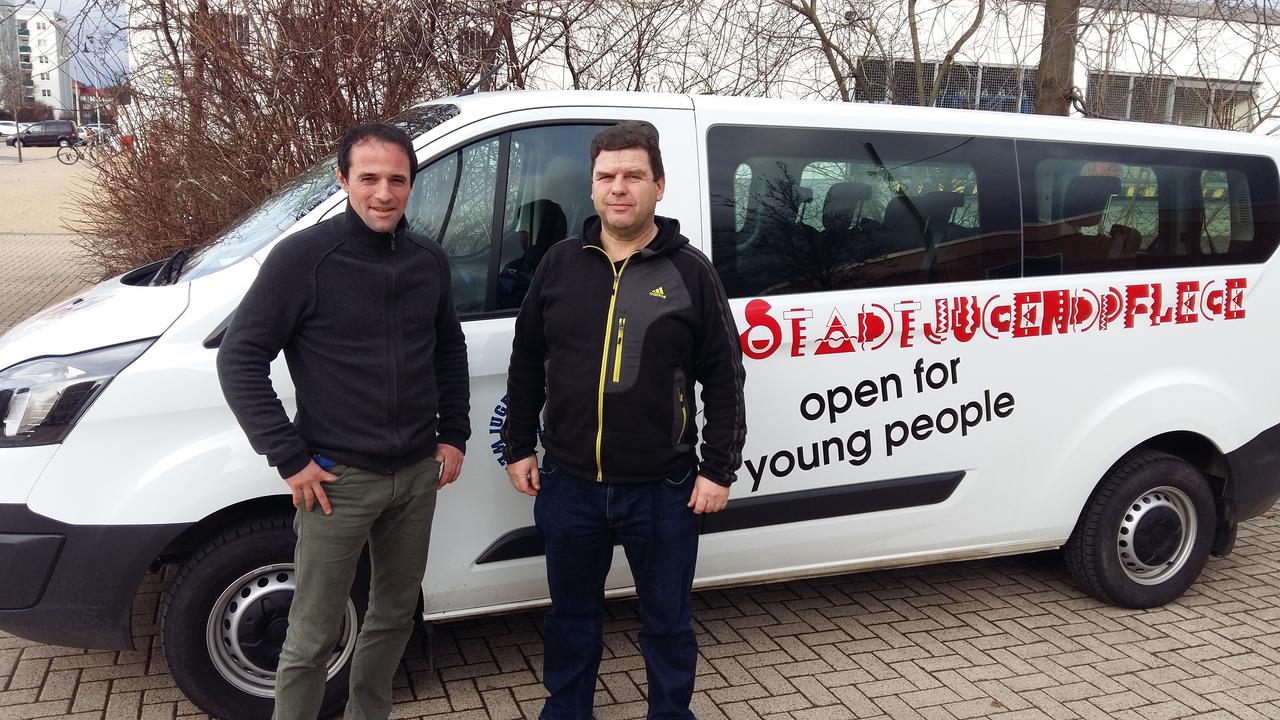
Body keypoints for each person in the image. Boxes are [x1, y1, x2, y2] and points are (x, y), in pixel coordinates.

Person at [217, 122, 470, 720]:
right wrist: (289, 455)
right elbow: (240, 355)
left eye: (396, 180)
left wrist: (453, 433)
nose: (383, 193)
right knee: (311, 633)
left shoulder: (426, 259)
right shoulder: (304, 258)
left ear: (412, 184)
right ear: (343, 181)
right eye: (369, 179)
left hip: (415, 476)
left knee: (393, 613)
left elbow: (448, 349)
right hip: (335, 481)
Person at [502, 121, 746, 720]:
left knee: (667, 622)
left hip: (664, 490)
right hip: (569, 485)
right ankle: (567, 711)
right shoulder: (559, 266)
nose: (619, 188)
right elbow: (528, 358)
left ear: (658, 186)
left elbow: (724, 374)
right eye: (606, 176)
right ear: (591, 188)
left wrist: (717, 469)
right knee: (570, 618)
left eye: (633, 175)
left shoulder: (691, 271)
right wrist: (516, 445)